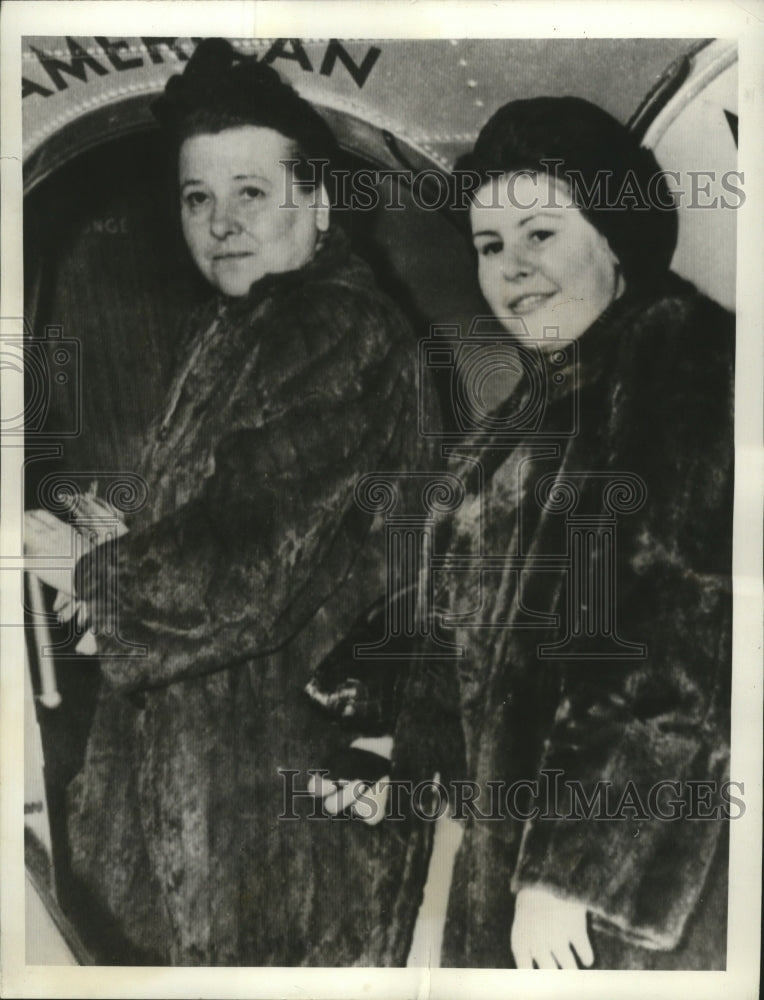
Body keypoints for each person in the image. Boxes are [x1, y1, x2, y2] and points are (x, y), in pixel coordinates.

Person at [24, 38, 434, 966]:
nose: (220, 222)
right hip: (211, 809)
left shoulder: (335, 326)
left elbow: (247, 565)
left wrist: (89, 569)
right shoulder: (245, 327)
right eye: (197, 197)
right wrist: (117, 544)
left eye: (251, 192)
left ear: (318, 204)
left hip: (275, 836)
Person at [366, 96, 734, 969]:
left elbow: (665, 648)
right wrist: (391, 745)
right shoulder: (540, 405)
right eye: (490, 247)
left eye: (540, 234)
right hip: (516, 864)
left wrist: (570, 875)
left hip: (613, 900)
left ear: (614, 234)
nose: (511, 268)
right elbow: (471, 629)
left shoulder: (678, 361)